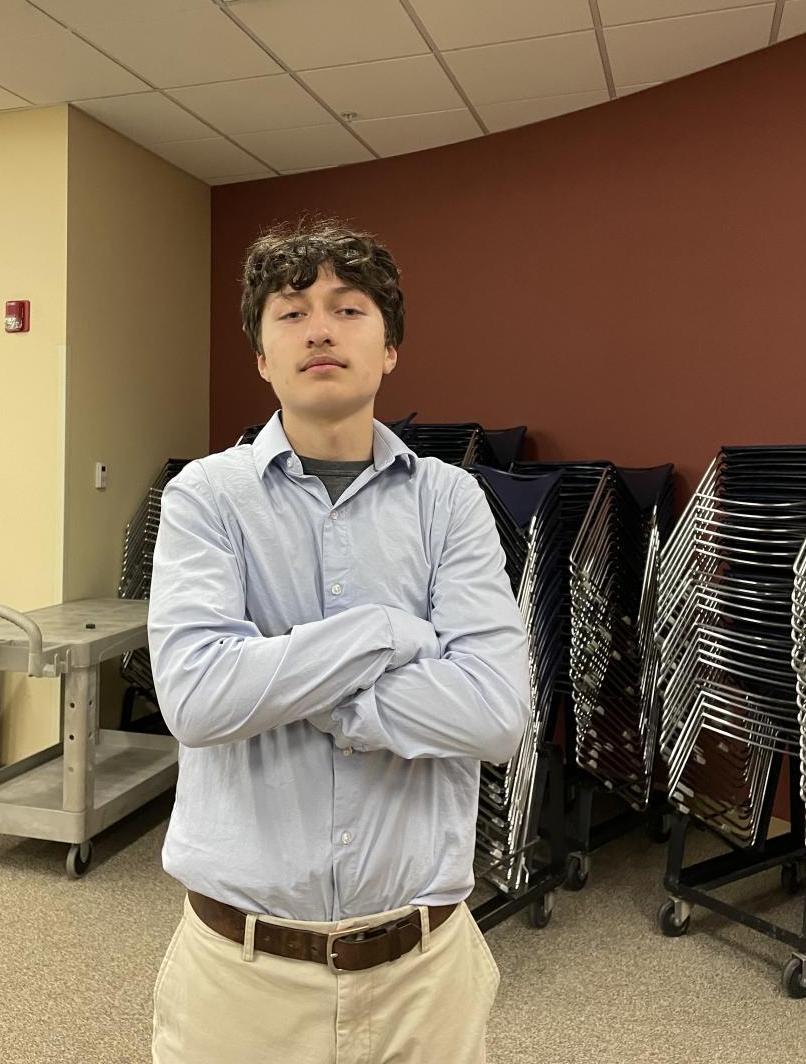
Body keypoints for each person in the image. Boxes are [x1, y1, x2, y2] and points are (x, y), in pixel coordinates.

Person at [148, 216, 530, 1064]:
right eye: (291, 313)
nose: (319, 329)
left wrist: (285, 680)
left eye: (348, 308)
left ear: (390, 349)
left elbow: (496, 713)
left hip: (424, 974)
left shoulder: (450, 501)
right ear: (261, 356)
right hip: (239, 977)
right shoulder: (205, 498)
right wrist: (389, 632)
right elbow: (198, 699)